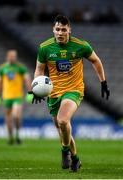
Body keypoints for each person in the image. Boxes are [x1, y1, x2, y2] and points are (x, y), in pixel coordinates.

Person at [29, 15, 110, 172]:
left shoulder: (81, 46)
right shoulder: (45, 48)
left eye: (63, 30)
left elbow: (96, 61)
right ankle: (75, 158)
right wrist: (36, 88)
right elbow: (39, 69)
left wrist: (103, 82)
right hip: (53, 93)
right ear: (53, 30)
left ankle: (64, 152)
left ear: (69, 30)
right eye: (57, 29)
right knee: (62, 128)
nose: (60, 33)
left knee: (63, 120)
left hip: (74, 90)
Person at [0, 49, 32, 144]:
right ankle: (10, 137)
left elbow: (27, 79)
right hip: (6, 97)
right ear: (7, 57)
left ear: (16, 57)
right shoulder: (2, 68)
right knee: (8, 118)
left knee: (16, 116)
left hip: (17, 96)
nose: (12, 58)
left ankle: (18, 134)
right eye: (11, 56)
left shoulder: (20, 68)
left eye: (14, 56)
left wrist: (30, 92)